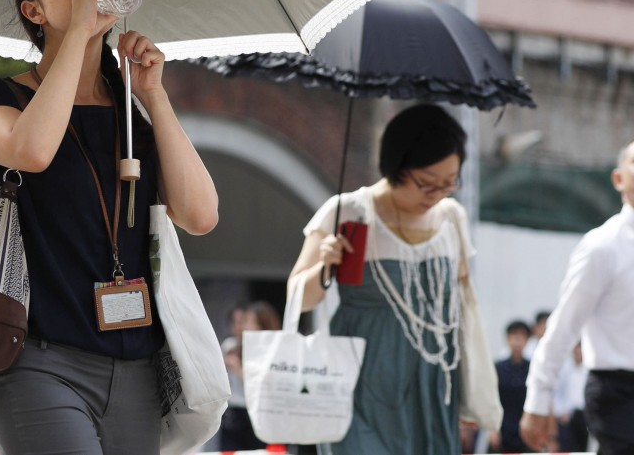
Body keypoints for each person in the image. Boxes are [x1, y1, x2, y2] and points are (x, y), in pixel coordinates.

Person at [0, 0, 218, 455]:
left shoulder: (131, 113)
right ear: (33, 10)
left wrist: (152, 94)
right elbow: (33, 152)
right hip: (38, 357)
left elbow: (199, 215)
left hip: (136, 364)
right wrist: (78, 33)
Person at [287, 103, 477, 455]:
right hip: (361, 382)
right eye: (426, 183)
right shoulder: (348, 211)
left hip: (432, 383)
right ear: (396, 165)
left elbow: (460, 306)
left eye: (449, 183)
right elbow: (298, 297)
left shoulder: (452, 217)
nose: (437, 194)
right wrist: (325, 265)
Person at [520, 135, 634, 455]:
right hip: (618, 392)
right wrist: (538, 397)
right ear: (618, 179)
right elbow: (564, 324)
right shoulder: (601, 246)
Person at [220, 300, 281, 451]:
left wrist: (238, 369)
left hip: (259, 411)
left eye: (248, 321)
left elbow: (264, 384)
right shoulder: (232, 346)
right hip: (233, 411)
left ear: (262, 326)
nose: (243, 326)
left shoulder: (272, 351)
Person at [490, 320, 532, 454]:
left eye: (522, 336)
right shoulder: (498, 367)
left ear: (527, 340)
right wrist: (492, 429)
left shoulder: (533, 367)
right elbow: (492, 398)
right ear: (507, 339)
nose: (518, 340)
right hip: (503, 427)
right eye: (514, 336)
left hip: (526, 426)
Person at [553, 343, 589, 452]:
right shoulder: (565, 368)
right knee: (566, 448)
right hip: (568, 416)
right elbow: (556, 391)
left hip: (585, 416)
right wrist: (560, 412)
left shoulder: (589, 369)